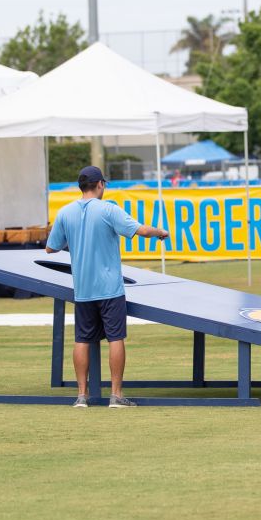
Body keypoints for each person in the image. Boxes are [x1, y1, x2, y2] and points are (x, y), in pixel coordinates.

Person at [46, 166, 169, 408]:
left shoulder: (65, 212)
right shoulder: (109, 210)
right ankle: (116, 395)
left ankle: (81, 396)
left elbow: (51, 248)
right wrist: (160, 232)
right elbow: (140, 230)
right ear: (100, 184)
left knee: (82, 339)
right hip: (110, 288)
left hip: (82, 288)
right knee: (115, 338)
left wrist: (78, 243)